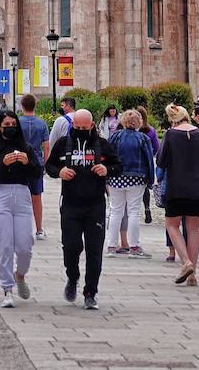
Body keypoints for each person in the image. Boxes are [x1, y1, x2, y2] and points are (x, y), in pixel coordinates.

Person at [47, 107, 121, 310]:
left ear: (91, 126)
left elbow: (118, 165)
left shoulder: (101, 144)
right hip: (70, 203)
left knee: (94, 250)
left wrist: (107, 169)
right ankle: (72, 276)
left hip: (95, 204)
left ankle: (91, 292)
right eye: (77, 127)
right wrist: (60, 171)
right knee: (71, 246)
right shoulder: (64, 144)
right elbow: (49, 166)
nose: (80, 129)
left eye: (84, 127)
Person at [0, 109, 40, 307]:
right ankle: (7, 289)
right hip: (1, 195)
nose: (10, 128)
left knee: (25, 246)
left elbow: (37, 172)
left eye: (13, 125)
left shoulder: (27, 147)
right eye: (6, 125)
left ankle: (20, 275)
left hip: (22, 195)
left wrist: (27, 162)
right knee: (4, 245)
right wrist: (2, 164)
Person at [156, 103, 199, 288]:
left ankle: (185, 262)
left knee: (172, 224)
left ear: (172, 119)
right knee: (193, 228)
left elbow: (161, 161)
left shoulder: (171, 134)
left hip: (177, 186)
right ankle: (192, 274)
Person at [106, 109, 155, 258]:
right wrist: (150, 180)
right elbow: (149, 161)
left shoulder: (114, 137)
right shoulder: (142, 138)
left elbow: (107, 156)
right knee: (133, 212)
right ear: (138, 122)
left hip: (116, 177)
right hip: (136, 178)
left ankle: (111, 246)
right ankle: (134, 246)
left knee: (115, 211)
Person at [17, 93, 50, 238]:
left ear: (22, 106)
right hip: (36, 162)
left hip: (20, 161)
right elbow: (46, 146)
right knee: (36, 197)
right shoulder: (41, 124)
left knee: (19, 196)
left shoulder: (17, 122)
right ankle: (39, 229)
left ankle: (21, 229)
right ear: (35, 105)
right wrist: (45, 162)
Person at [137, 106, 160, 225]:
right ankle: (146, 207)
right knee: (145, 187)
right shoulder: (150, 131)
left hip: (135, 162)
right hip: (146, 161)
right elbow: (157, 147)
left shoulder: (133, 131)